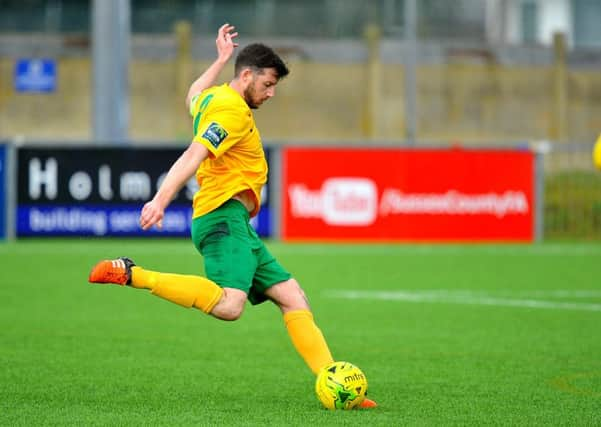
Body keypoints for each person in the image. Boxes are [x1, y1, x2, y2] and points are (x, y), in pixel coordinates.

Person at [88, 24, 377, 409]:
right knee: (229, 306)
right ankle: (131, 272)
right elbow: (194, 154)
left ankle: (335, 383)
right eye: (269, 83)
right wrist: (160, 199)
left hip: (235, 223)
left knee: (293, 297)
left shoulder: (213, 99)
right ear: (247, 76)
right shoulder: (230, 112)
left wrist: (219, 60)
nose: (272, 93)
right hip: (222, 218)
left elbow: (192, 95)